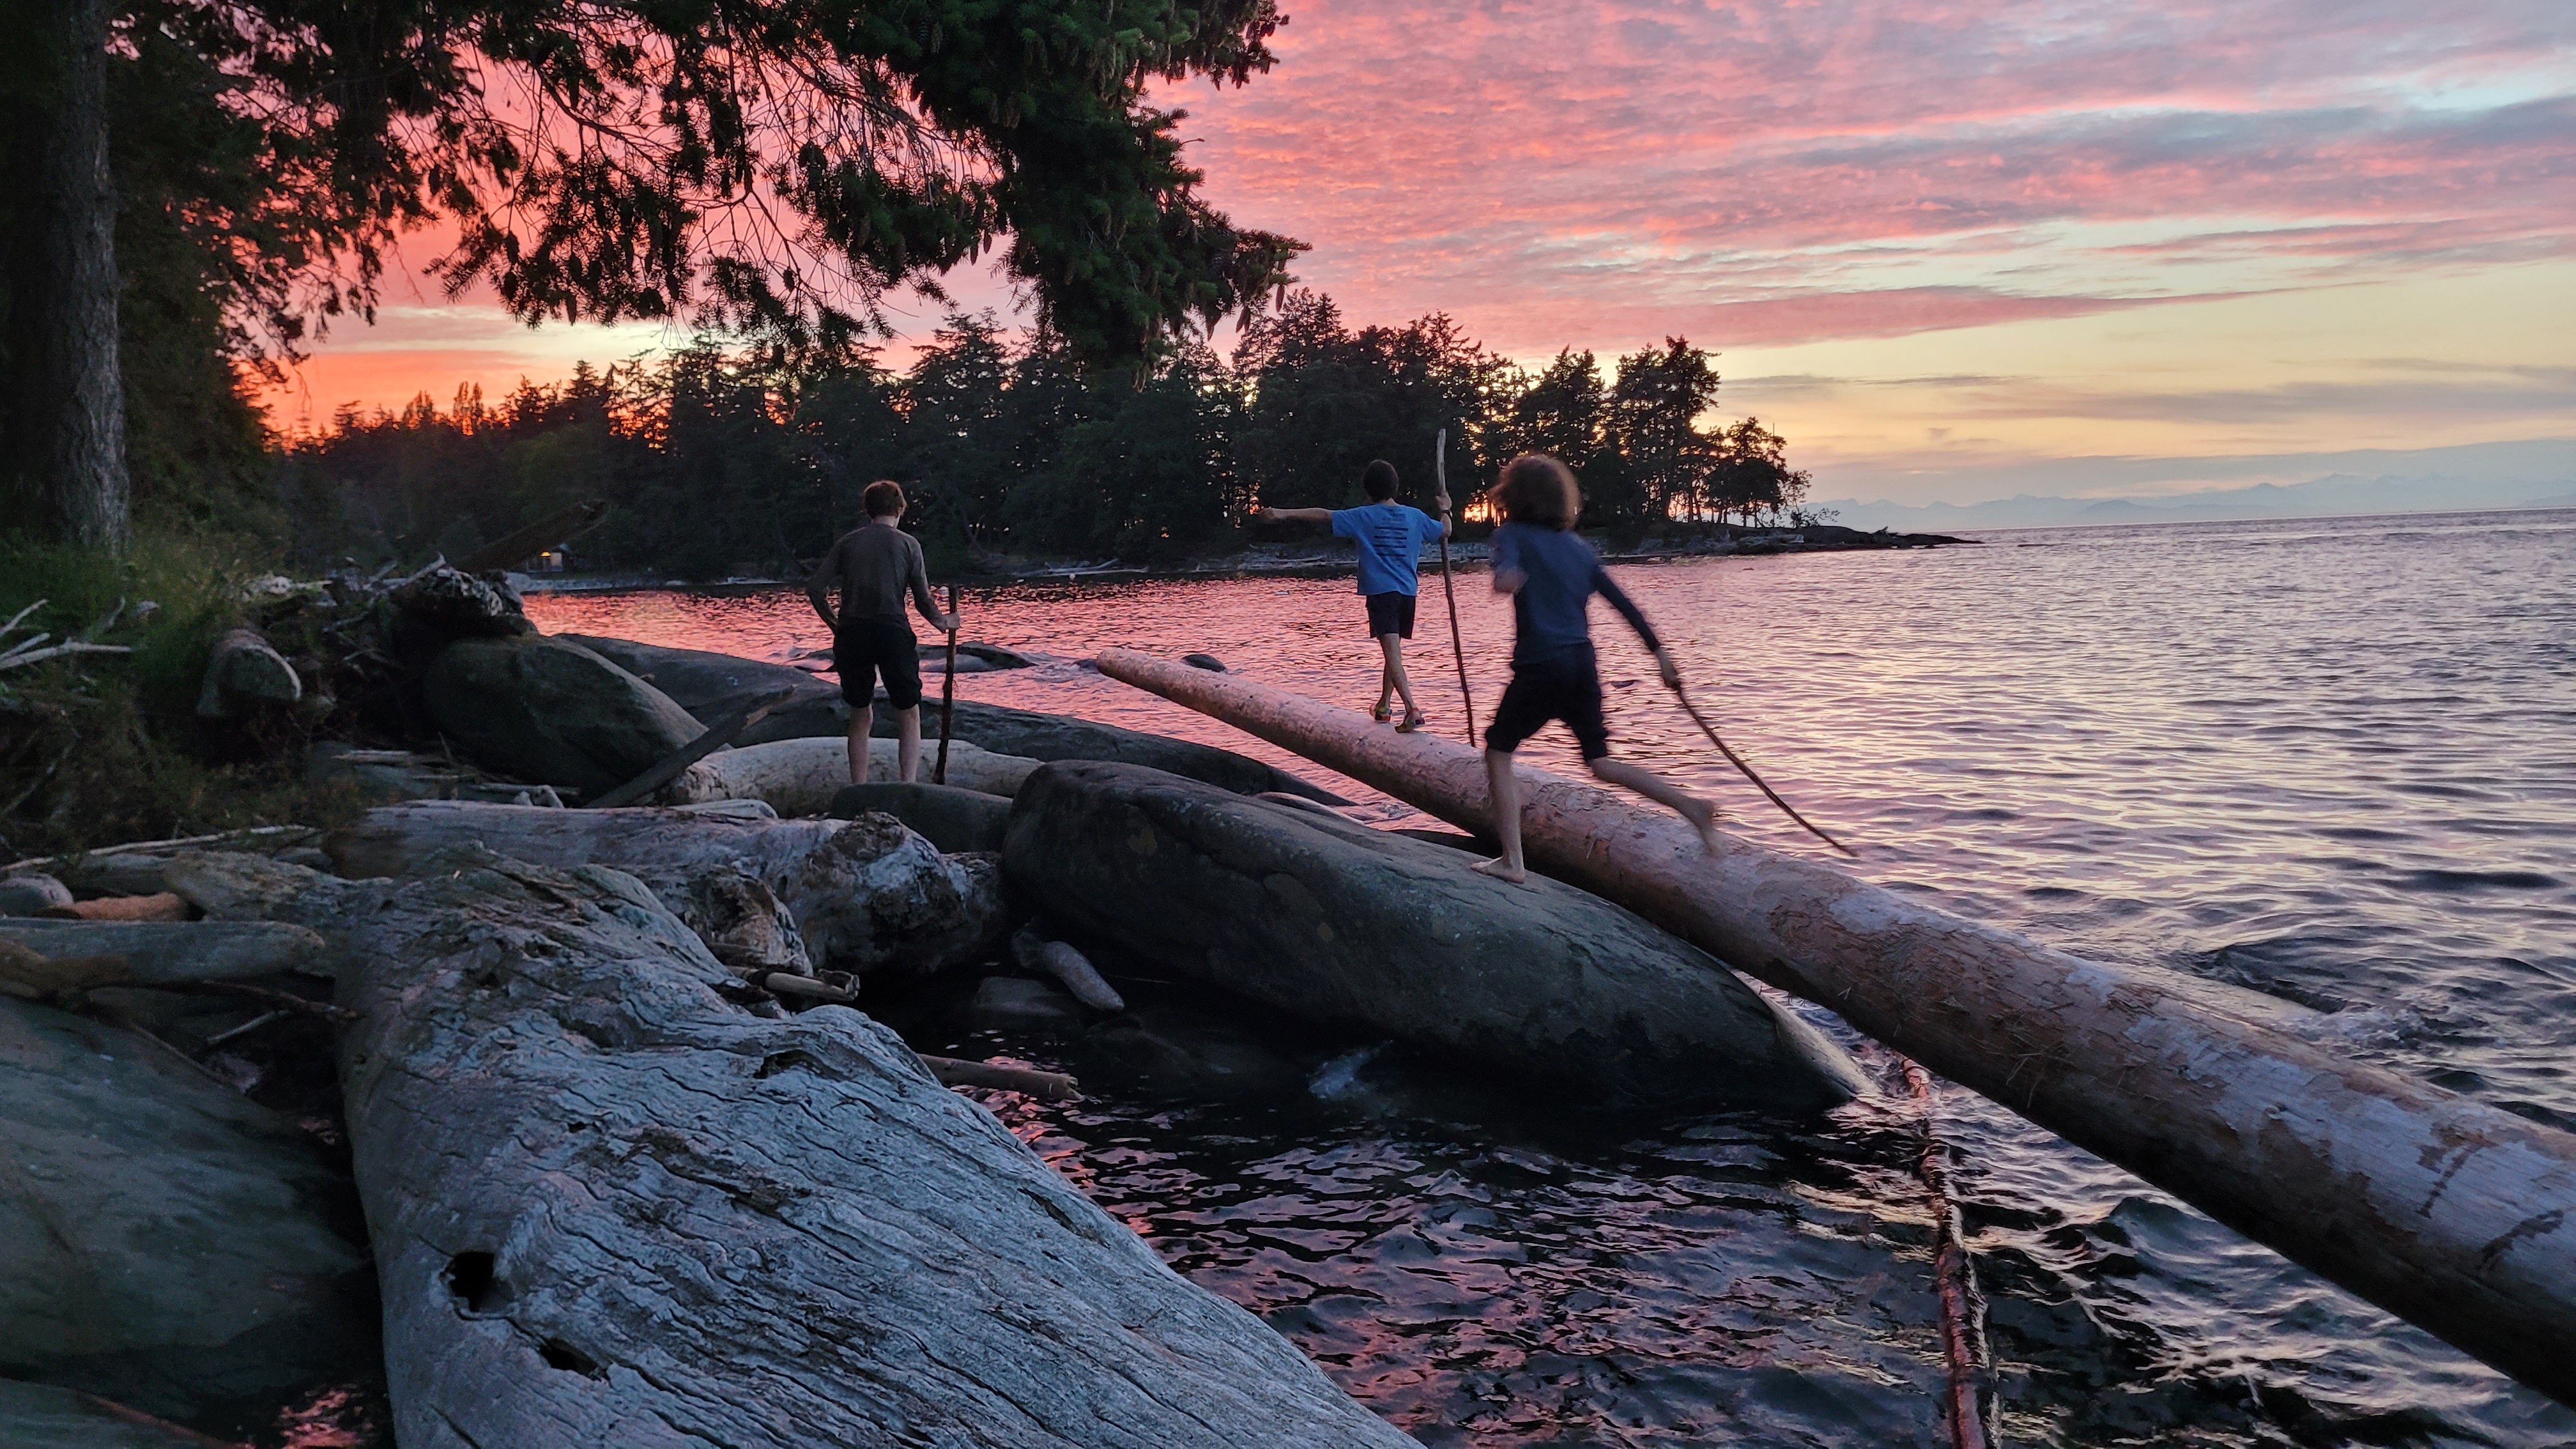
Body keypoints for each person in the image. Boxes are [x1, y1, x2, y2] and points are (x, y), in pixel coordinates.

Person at [1473, 453, 1719, 884]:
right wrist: (1661, 656)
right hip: (1581, 665)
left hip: (1542, 666)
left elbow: (1504, 578)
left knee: (1498, 750)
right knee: (1600, 761)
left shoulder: (1510, 534)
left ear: (1514, 496)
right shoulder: (1578, 547)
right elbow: (1624, 604)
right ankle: (1691, 807)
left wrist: (1507, 578)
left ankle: (1513, 861)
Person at [1254, 459, 1452, 730]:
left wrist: (1282, 513)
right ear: (1395, 488)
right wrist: (1446, 509)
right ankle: (1383, 706)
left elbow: (1324, 515)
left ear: (1368, 492)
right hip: (1408, 594)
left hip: (1383, 595)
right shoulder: (1415, 516)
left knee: (1393, 656)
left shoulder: (1363, 516)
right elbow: (1446, 530)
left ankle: (1412, 709)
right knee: (1393, 654)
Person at [806, 479, 959, 785]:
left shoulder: (847, 543)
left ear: (868, 510)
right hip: (892, 632)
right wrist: (944, 623)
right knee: (908, 711)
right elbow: (922, 600)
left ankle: (859, 787)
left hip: (853, 633)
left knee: (860, 713)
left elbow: (814, 588)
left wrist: (836, 625)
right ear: (900, 508)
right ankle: (907, 784)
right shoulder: (908, 544)